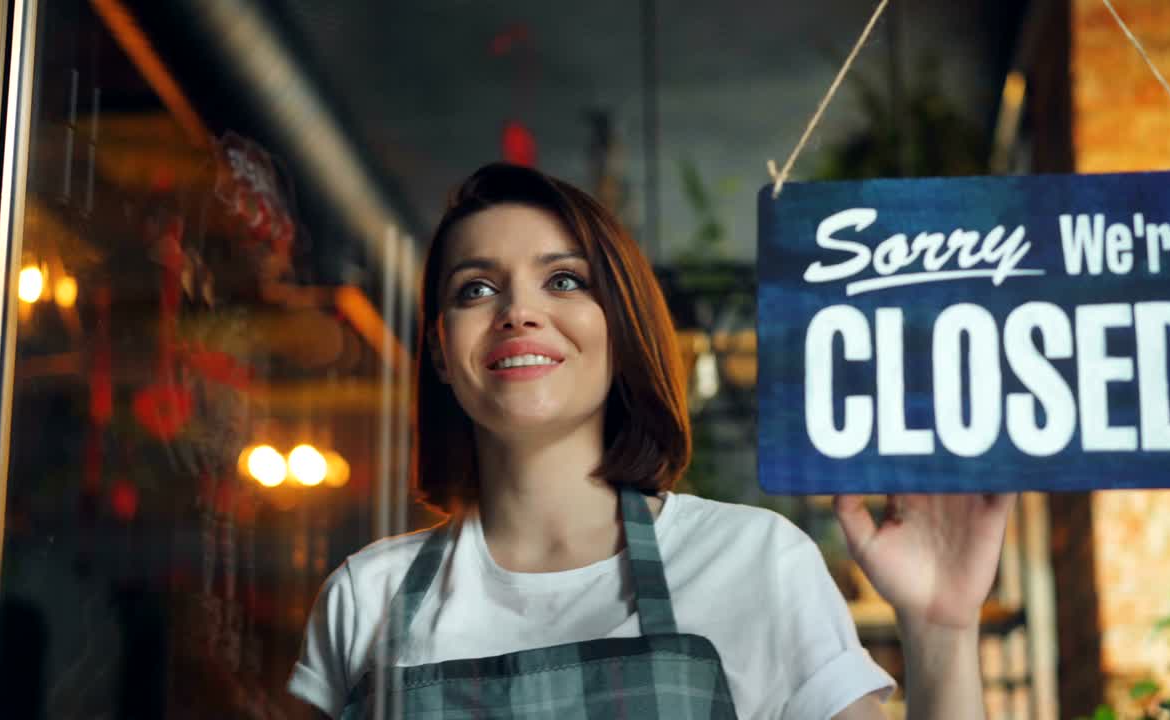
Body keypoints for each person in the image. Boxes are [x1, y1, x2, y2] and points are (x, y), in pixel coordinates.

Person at [287, 163, 1015, 719]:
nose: (518, 312)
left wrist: (939, 628)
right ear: (443, 353)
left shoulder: (756, 563)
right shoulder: (364, 597)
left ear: (621, 325)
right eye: (475, 289)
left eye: (565, 281)